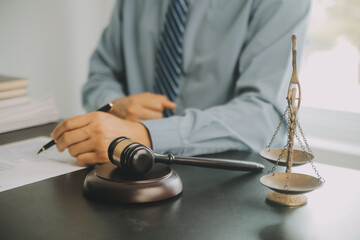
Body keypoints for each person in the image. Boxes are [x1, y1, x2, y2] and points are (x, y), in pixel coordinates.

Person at [51, 0, 310, 166]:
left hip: (226, 179)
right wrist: (115, 105)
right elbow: (100, 76)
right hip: (130, 169)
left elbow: (266, 113)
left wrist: (147, 134)